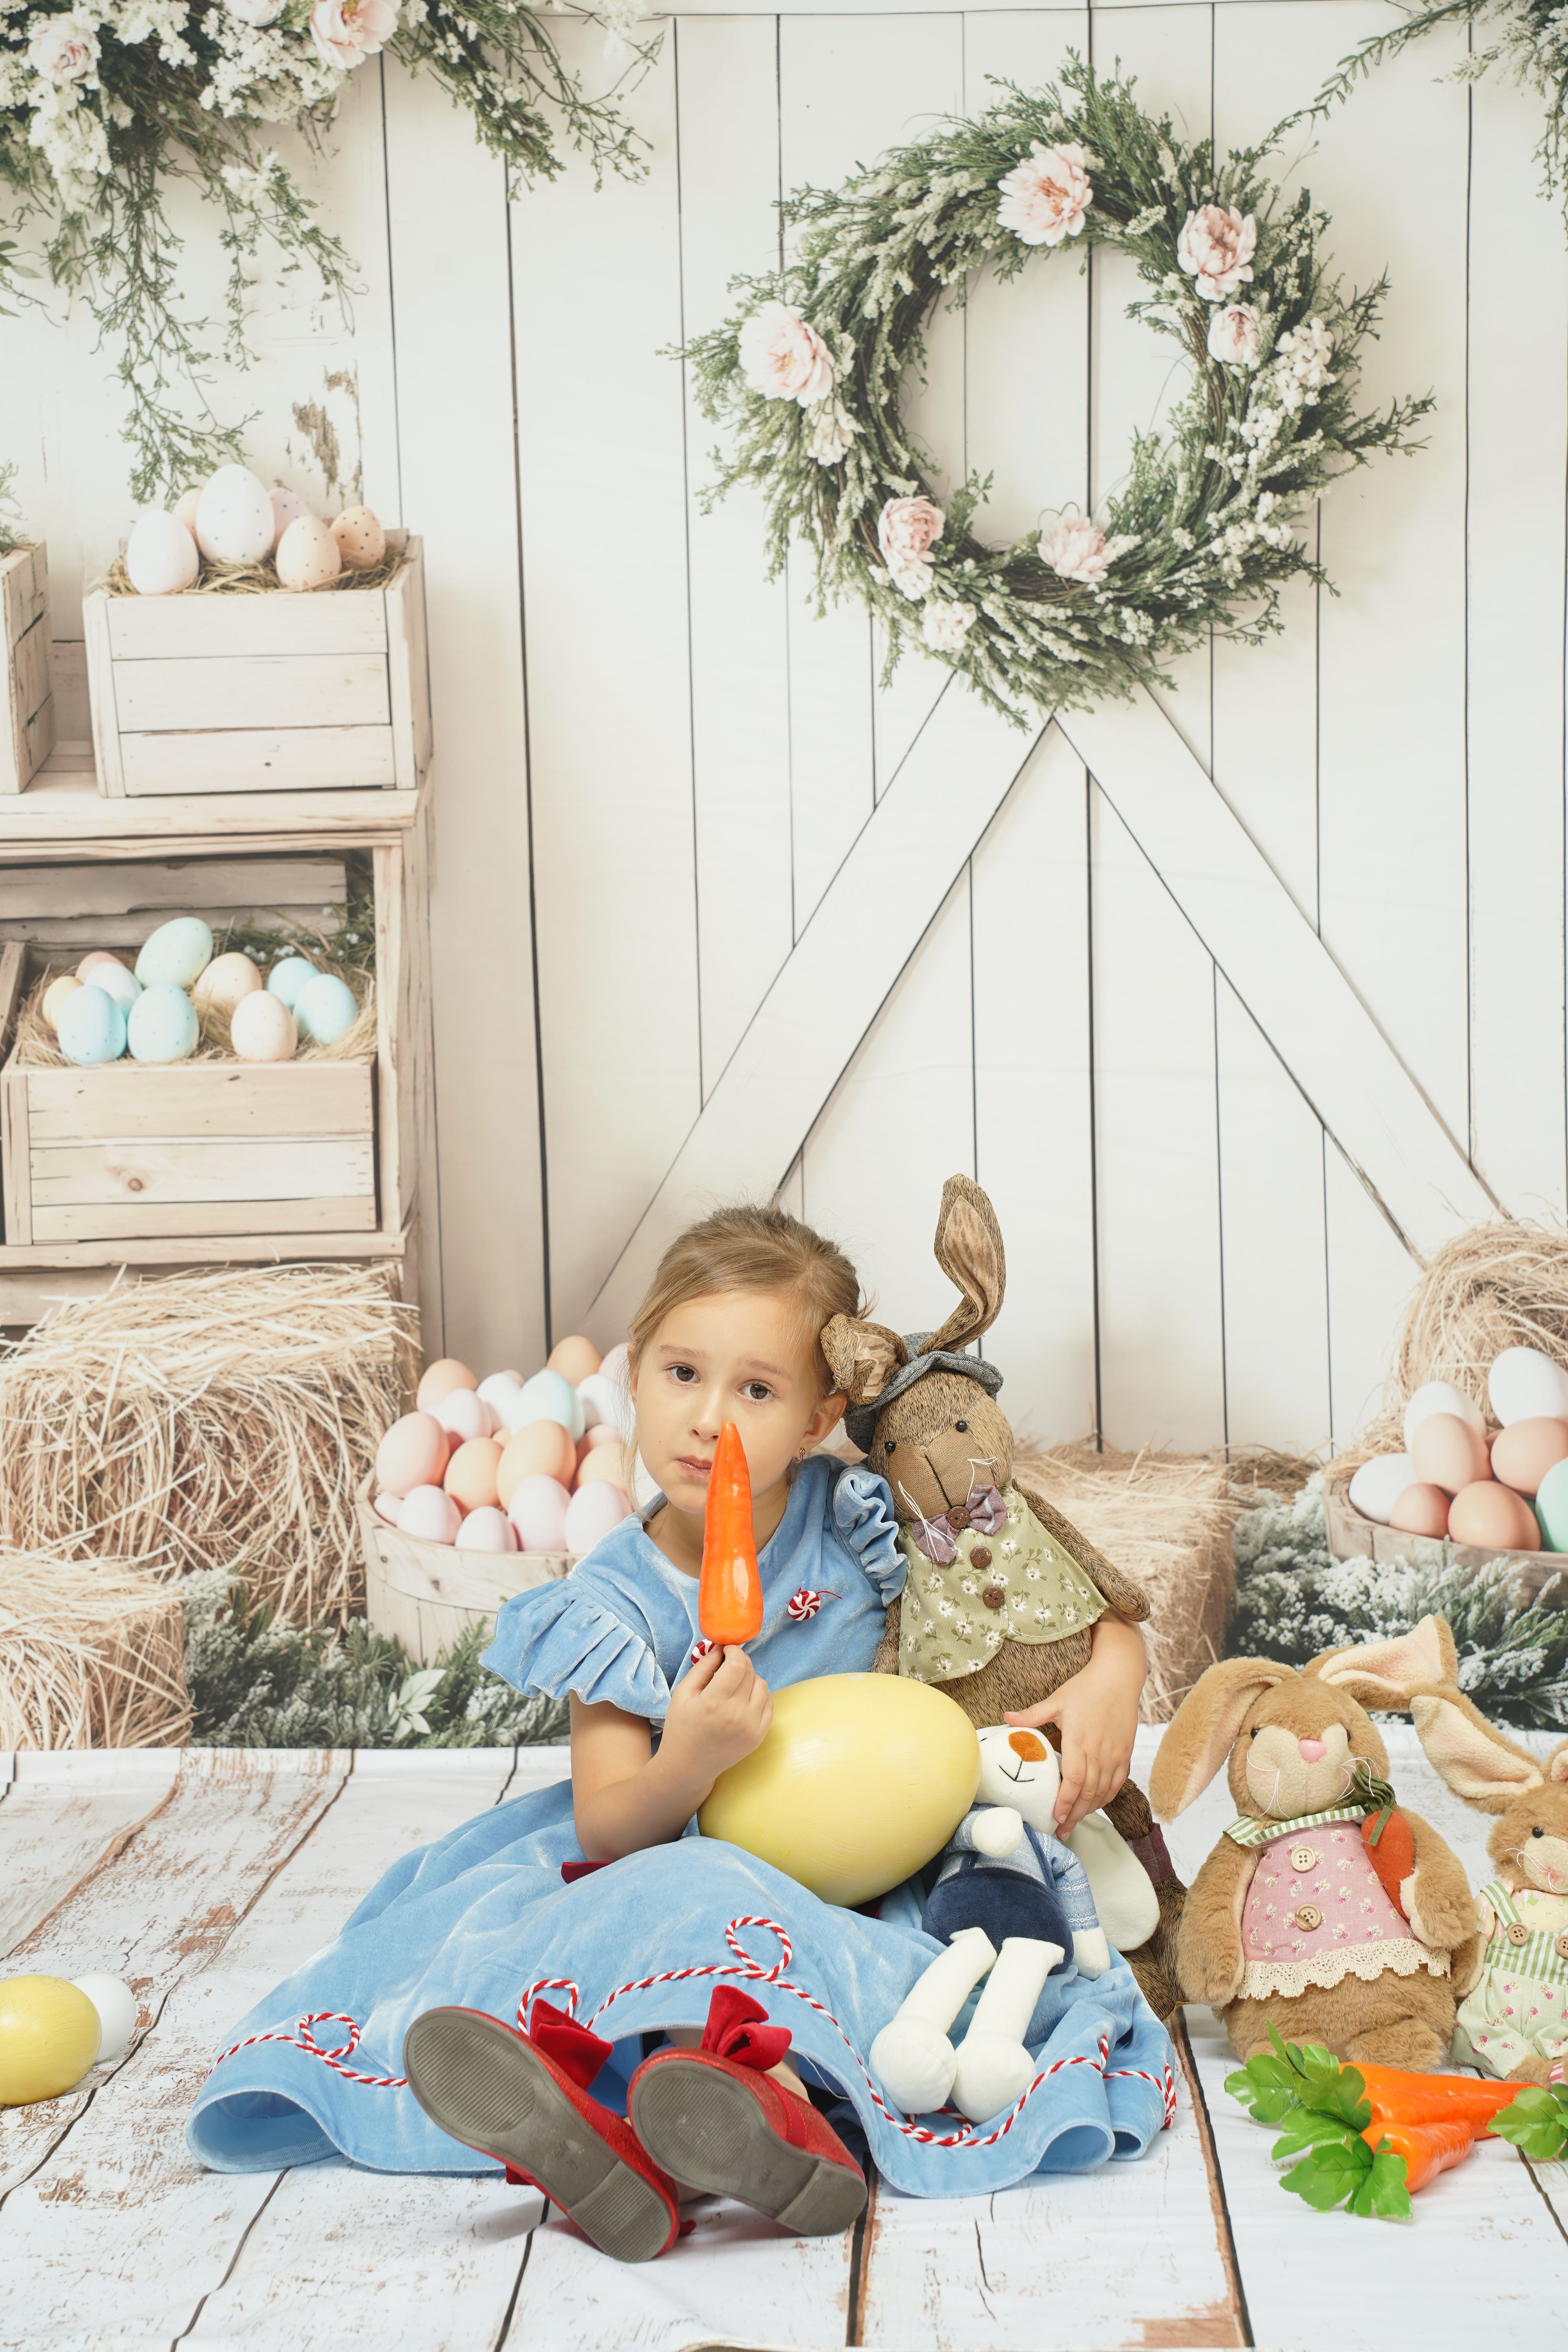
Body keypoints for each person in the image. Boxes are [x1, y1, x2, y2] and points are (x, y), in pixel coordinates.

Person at [187, 1205, 1171, 2260]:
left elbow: (1036, 1584)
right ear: (634, 1375)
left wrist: (1116, 1668)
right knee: (687, 1903)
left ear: (819, 1417)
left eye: (757, 1390)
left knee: (910, 1968)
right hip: (679, 1847)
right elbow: (612, 1828)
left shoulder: (864, 1521)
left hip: (876, 1858)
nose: (708, 1420)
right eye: (683, 1374)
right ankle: (636, 2127)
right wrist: (693, 1757)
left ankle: (732, 2121)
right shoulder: (616, 1601)